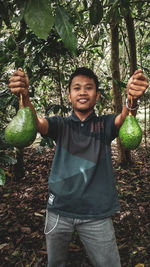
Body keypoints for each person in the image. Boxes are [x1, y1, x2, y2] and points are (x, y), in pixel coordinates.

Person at [9, 67, 148, 267]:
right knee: (55, 263)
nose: (83, 92)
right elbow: (37, 123)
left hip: (97, 215)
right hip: (58, 211)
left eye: (89, 88)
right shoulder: (60, 125)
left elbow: (124, 119)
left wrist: (132, 99)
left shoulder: (105, 124)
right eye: (77, 88)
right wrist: (25, 97)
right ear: (69, 95)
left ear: (97, 95)